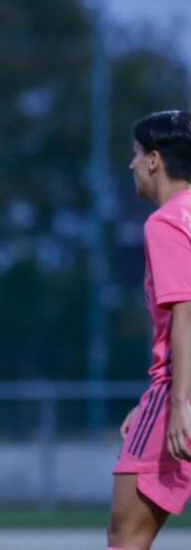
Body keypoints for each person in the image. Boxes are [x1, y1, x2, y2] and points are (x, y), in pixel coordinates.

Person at [109, 110, 191, 550]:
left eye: (137, 154)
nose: (132, 165)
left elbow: (186, 312)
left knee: (126, 537)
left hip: (180, 392)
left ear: (155, 160)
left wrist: (176, 404)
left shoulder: (165, 222)